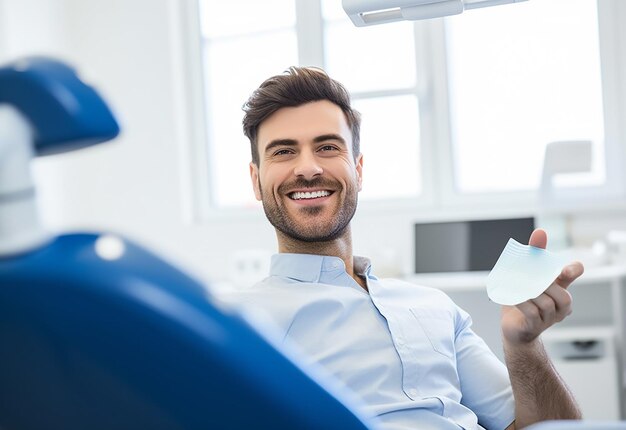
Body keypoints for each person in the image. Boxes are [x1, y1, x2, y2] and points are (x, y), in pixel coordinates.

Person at [221, 66, 584, 429]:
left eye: (327, 147)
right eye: (283, 151)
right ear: (256, 181)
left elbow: (552, 428)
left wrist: (524, 346)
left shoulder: (434, 307)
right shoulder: (240, 323)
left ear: (358, 170)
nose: (309, 168)